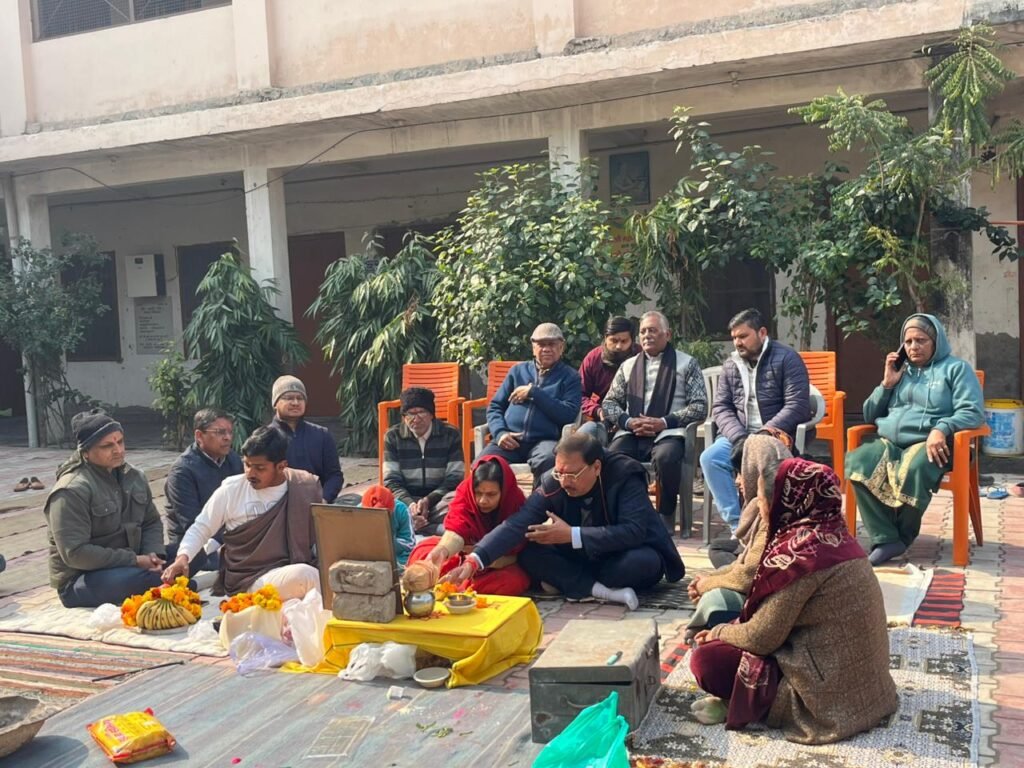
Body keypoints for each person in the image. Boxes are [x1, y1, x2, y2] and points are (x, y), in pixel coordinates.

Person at [689, 459, 898, 744]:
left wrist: (719, 632)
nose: (759, 506)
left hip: (825, 698)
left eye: (762, 498)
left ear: (783, 502)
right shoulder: (836, 536)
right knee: (728, 630)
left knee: (708, 660)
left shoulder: (801, 556)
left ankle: (743, 705)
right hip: (869, 689)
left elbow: (762, 637)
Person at [445, 433, 684, 610]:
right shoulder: (555, 480)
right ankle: (595, 589)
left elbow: (633, 531)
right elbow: (518, 523)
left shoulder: (625, 475)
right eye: (560, 473)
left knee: (641, 564)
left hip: (622, 552)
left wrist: (572, 535)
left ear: (596, 467)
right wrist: (475, 560)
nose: (565, 481)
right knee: (529, 550)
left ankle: (571, 582)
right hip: (581, 555)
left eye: (572, 474)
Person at [846, 313, 984, 566]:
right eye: (908, 342)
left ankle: (901, 536)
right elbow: (869, 415)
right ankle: (886, 538)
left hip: (937, 444)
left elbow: (973, 412)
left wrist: (941, 428)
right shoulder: (901, 371)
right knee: (858, 462)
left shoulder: (956, 369)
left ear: (936, 342)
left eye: (921, 340)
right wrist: (887, 384)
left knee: (916, 467)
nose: (913, 347)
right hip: (891, 443)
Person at [162, 426, 323, 600]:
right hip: (248, 579)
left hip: (293, 566)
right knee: (306, 576)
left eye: (259, 468)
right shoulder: (232, 489)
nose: (250, 473)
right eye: (247, 465)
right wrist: (183, 557)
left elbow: (319, 535)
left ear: (281, 466)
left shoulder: (303, 486)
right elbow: (201, 527)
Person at [43, 409, 168, 608]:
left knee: (190, 554)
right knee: (144, 579)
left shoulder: (134, 476)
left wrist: (153, 554)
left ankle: (161, 578)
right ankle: (167, 582)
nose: (118, 450)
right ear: (85, 452)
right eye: (107, 446)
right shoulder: (71, 490)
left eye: (120, 442)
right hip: (84, 577)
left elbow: (151, 522)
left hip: (134, 562)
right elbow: (76, 553)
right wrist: (134, 560)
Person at [700, 308, 810, 531]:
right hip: (739, 436)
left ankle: (773, 526)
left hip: (774, 436)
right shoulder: (731, 364)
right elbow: (721, 407)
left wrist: (762, 434)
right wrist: (739, 437)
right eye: (734, 338)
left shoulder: (787, 358)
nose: (737, 343)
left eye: (743, 336)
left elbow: (797, 405)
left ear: (762, 333)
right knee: (710, 458)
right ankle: (739, 526)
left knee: (765, 463)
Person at [602, 311, 708, 527]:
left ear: (667, 334)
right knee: (612, 457)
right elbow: (609, 403)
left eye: (652, 330)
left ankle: (664, 515)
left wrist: (664, 422)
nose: (646, 335)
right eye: (643, 332)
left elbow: (700, 406)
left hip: (669, 431)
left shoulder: (687, 363)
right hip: (632, 430)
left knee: (666, 458)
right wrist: (628, 421)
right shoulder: (628, 365)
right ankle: (627, 512)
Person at [685, 434, 791, 642]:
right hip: (765, 594)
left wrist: (707, 584)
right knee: (718, 551)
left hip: (777, 612)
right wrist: (710, 579)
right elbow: (747, 561)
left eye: (741, 473)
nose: (737, 481)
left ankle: (717, 626)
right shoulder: (764, 505)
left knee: (715, 601)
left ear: (757, 471)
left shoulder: (775, 513)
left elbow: (748, 575)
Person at [407, 455, 530, 596]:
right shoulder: (465, 492)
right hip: (460, 554)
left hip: (497, 563)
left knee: (513, 580)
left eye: (491, 494)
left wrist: (479, 558)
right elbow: (457, 528)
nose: (483, 501)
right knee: (425, 552)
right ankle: (455, 584)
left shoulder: (516, 503)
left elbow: (516, 551)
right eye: (478, 493)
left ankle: (457, 586)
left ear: (504, 491)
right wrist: (443, 550)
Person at [479, 323, 582, 484]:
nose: (546, 349)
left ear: (561, 347)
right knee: (483, 466)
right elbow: (495, 406)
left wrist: (534, 393)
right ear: (533, 347)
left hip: (545, 442)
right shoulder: (517, 371)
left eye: (552, 344)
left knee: (550, 462)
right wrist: (500, 433)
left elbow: (568, 414)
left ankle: (538, 500)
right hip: (510, 439)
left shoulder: (570, 377)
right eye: (541, 344)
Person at [163, 408, 243, 574]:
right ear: (199, 435)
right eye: (220, 432)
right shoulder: (182, 471)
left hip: (229, 536)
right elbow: (193, 523)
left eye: (230, 432)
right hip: (195, 544)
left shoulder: (233, 460)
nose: (227, 438)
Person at [382, 387, 464, 536]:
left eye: (421, 412)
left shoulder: (450, 434)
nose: (416, 418)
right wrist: (410, 505)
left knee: (459, 503)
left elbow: (455, 478)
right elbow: (391, 480)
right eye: (410, 414)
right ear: (404, 416)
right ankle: (427, 526)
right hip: (406, 501)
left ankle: (412, 526)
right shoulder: (393, 436)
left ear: (431, 414)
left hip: (439, 500)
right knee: (378, 504)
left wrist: (428, 500)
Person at [270, 375, 344, 503]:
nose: (295, 403)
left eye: (300, 398)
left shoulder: (322, 435)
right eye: (289, 398)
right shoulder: (266, 437)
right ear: (275, 403)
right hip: (278, 506)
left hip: (318, 504)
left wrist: (323, 500)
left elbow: (334, 475)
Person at [577, 316, 639, 445]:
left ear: (632, 341)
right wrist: (597, 410)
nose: (619, 346)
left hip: (635, 417)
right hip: (602, 417)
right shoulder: (593, 358)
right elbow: (579, 394)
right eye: (614, 340)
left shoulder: (641, 357)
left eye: (624, 341)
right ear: (605, 338)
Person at [360, 485, 415, 568]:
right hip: (367, 556)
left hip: (396, 556)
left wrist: (388, 540)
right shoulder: (357, 513)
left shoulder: (401, 510)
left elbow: (410, 544)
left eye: (384, 514)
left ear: (392, 507)